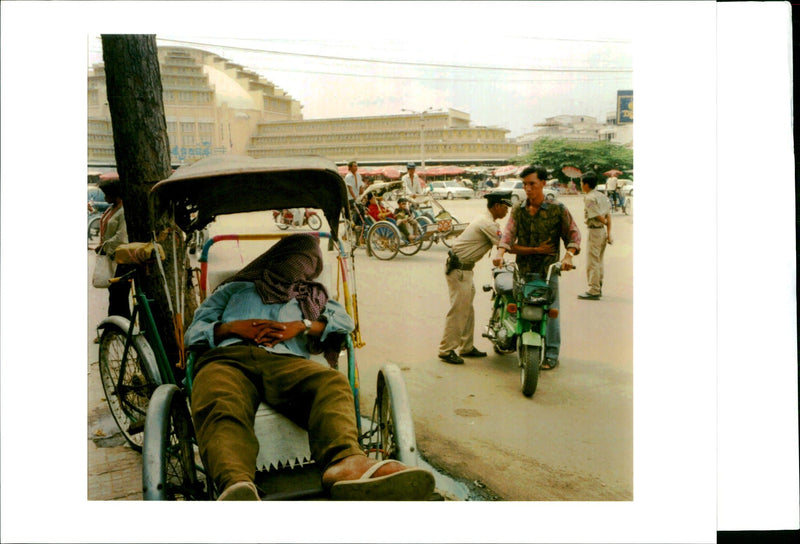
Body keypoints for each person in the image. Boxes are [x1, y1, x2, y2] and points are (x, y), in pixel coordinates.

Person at [185, 234, 435, 500]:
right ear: (277, 258)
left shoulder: (312, 295)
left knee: (332, 383)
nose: (298, 268)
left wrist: (301, 326)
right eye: (294, 260)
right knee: (219, 398)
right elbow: (194, 332)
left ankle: (345, 462)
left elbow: (344, 324)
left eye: (307, 263)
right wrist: (233, 327)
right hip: (228, 358)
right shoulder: (234, 289)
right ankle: (235, 484)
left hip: (286, 361)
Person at [493, 165, 581, 371]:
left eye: (532, 184)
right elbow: (509, 232)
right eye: (525, 184)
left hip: (548, 271)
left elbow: (573, 234)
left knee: (550, 312)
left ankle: (551, 354)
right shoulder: (518, 209)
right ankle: (515, 340)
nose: (528, 188)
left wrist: (568, 255)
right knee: (519, 307)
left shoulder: (557, 209)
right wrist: (500, 252)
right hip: (522, 270)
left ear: (543, 183)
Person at [438, 191, 512, 365]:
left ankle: (466, 346)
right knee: (459, 310)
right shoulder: (487, 223)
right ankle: (446, 350)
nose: (507, 211)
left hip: (464, 269)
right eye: (505, 207)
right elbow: (506, 244)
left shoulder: (486, 219)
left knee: (467, 310)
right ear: (496, 206)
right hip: (460, 270)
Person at [94, 179, 130, 320]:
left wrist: (104, 246)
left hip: (121, 261)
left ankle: (119, 326)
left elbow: (121, 237)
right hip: (111, 258)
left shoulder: (123, 211)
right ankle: (113, 325)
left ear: (115, 194)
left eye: (107, 194)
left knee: (119, 296)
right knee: (114, 295)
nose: (105, 197)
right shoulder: (111, 208)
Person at [578, 172, 612, 300]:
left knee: (592, 262)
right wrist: (609, 233)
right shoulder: (602, 196)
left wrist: (604, 222)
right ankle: (598, 286)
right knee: (598, 261)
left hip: (594, 231)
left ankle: (594, 290)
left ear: (586, 184)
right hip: (602, 232)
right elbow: (608, 215)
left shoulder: (589, 198)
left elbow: (597, 215)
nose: (581, 185)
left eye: (581, 183)